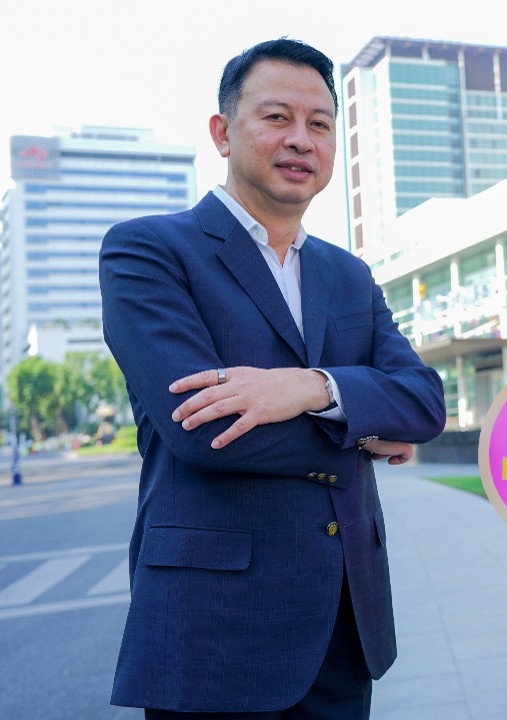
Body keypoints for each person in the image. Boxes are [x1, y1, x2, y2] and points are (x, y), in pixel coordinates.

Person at [99, 38, 447, 718]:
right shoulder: (148, 251)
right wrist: (360, 425)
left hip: (344, 626)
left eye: (320, 123)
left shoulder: (348, 275)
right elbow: (206, 431)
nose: (300, 139)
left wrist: (313, 388)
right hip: (213, 634)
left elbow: (425, 402)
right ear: (222, 132)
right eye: (276, 117)